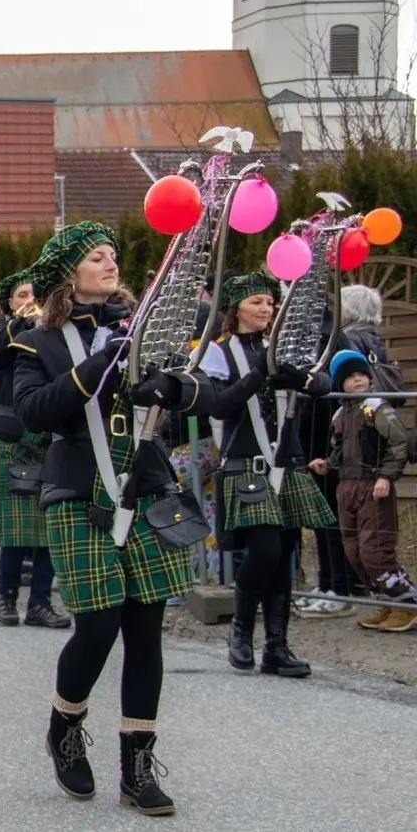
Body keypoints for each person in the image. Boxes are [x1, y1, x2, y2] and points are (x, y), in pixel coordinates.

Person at [12, 222, 207, 816]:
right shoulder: (37, 341)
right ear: (68, 274)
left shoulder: (143, 329)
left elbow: (200, 393)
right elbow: (31, 413)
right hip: (78, 495)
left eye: (113, 256)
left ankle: (137, 769)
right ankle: (64, 728)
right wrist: (96, 367)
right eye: (97, 256)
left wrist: (171, 387)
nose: (110, 263)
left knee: (146, 630)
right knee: (97, 628)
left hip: (144, 489)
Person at [200, 272, 333, 678]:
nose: (266, 308)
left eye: (270, 302)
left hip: (287, 462)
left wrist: (303, 378)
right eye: (256, 301)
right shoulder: (219, 352)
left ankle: (277, 645)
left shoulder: (285, 347)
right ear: (236, 308)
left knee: (284, 555)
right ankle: (241, 631)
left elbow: (323, 383)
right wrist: (258, 372)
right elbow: (218, 405)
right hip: (248, 462)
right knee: (265, 551)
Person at [0, 271, 70, 629]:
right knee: (16, 529)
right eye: (22, 295)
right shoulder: (1, 332)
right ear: (9, 303)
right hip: (11, 438)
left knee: (48, 528)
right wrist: (20, 321)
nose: (29, 300)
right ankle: (6, 596)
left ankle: (39, 603)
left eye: (34, 295)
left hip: (47, 436)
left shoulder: (55, 333)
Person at [311, 350, 416, 632]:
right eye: (350, 377)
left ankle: (407, 603)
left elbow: (398, 443)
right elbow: (339, 449)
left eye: (362, 375)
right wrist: (328, 464)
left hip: (373, 486)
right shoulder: (340, 414)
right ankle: (386, 601)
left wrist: (386, 477)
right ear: (340, 383)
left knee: (375, 550)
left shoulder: (377, 408)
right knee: (353, 551)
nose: (358, 380)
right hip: (346, 488)